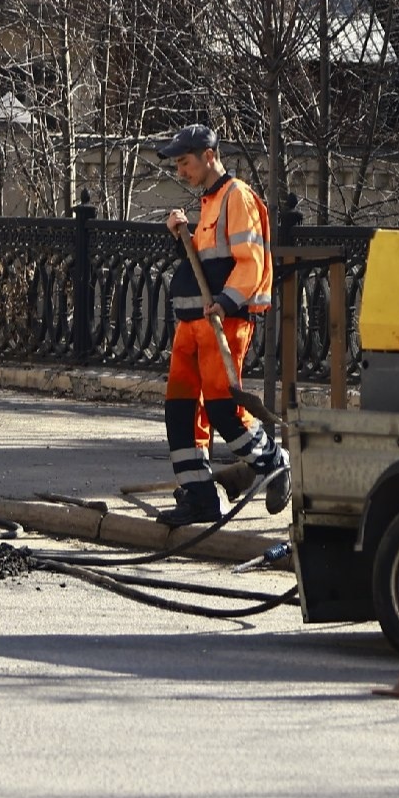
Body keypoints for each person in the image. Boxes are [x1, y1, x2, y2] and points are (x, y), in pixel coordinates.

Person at [153, 123, 287, 526]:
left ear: (209, 156)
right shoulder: (211, 202)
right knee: (179, 411)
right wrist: (182, 236)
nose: (181, 172)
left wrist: (226, 303)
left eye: (185, 162)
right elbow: (207, 262)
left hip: (221, 322)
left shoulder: (236, 197)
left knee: (223, 410)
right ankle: (199, 498)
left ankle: (274, 462)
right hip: (192, 323)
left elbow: (251, 262)